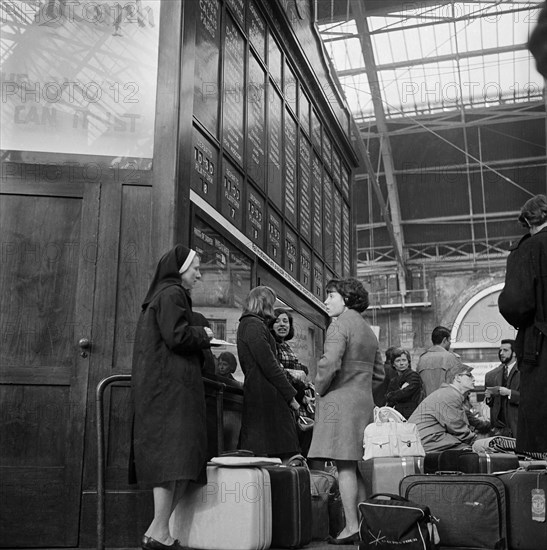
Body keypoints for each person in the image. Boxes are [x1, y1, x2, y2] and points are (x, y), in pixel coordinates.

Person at [130, 245, 214, 550]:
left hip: (163, 390)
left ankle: (158, 532)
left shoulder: (160, 295)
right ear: (180, 269)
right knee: (175, 460)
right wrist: (205, 335)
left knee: (175, 460)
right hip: (172, 392)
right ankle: (158, 533)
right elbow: (177, 337)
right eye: (196, 269)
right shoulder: (173, 294)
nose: (200, 274)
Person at [308, 278, 384, 545]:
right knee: (353, 465)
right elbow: (379, 374)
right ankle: (364, 525)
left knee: (344, 466)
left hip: (339, 403)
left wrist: (318, 387)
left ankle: (351, 526)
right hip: (363, 402)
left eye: (331, 296)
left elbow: (329, 364)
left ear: (347, 299)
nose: (326, 301)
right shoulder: (367, 330)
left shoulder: (339, 325)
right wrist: (359, 387)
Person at [498, 194, 547, 455]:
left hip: (540, 346)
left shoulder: (528, 248)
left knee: (540, 436)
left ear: (529, 219)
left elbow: (515, 304)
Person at [237, 286, 301, 458]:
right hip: (267, 398)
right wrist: (291, 396)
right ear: (264, 303)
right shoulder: (253, 325)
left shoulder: (250, 324)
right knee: (279, 454)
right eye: (271, 304)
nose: (273, 308)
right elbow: (270, 364)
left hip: (262, 395)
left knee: (269, 456)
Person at [271, 308, 314, 455]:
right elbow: (276, 370)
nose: (282, 325)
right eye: (277, 321)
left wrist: (303, 395)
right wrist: (294, 373)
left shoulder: (285, 345)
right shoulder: (272, 344)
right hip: (283, 402)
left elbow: (298, 370)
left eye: (286, 321)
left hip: (296, 400)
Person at [408, 363, 478, 452]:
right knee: (469, 452)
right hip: (428, 440)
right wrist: (477, 441)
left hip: (424, 438)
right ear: (457, 378)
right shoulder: (450, 395)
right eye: (469, 375)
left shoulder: (446, 392)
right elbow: (457, 428)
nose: (473, 379)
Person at [484, 339, 520, 438]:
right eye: (500, 350)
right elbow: (491, 403)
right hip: (500, 429)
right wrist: (489, 397)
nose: (501, 353)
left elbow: (529, 398)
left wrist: (509, 393)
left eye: (505, 350)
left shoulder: (523, 373)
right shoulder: (495, 374)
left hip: (516, 426)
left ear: (514, 353)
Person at [416, 325, 461, 396]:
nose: (450, 343)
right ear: (445, 340)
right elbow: (459, 385)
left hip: (426, 403)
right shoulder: (451, 357)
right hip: (447, 403)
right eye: (450, 340)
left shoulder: (422, 359)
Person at [385, 347, 424, 419]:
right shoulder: (393, 380)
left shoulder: (413, 376)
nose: (401, 363)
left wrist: (392, 395)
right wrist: (397, 392)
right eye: (398, 361)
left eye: (404, 360)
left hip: (412, 414)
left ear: (408, 362)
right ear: (393, 364)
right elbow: (388, 398)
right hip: (396, 416)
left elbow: (406, 393)